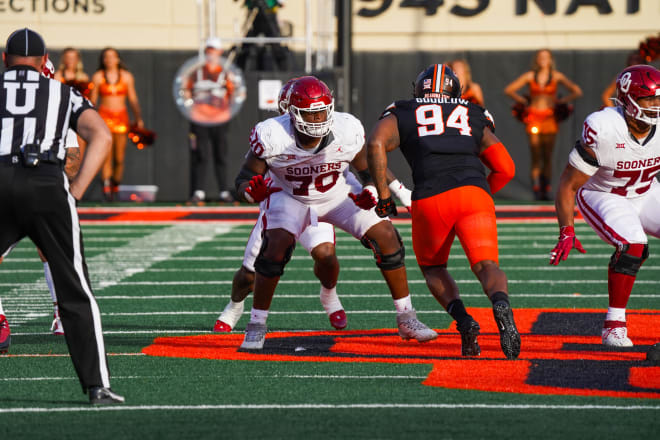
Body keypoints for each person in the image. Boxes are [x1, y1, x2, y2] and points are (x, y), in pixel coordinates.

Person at [234, 76, 436, 350]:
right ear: (291, 113)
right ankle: (256, 324)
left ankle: (407, 317)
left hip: (338, 192)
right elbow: (244, 178)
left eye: (321, 111)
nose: (317, 119)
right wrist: (250, 193)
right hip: (291, 196)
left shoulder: (346, 128)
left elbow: (366, 170)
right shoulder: (273, 135)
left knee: (387, 236)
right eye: (309, 113)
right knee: (274, 250)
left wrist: (371, 191)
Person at [0, 28, 123, 404]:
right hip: (46, 183)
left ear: (5, 60)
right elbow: (101, 135)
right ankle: (96, 386)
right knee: (75, 289)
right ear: (42, 63)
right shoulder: (63, 93)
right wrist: (78, 190)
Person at [366, 63, 521, 359]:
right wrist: (482, 192)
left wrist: (385, 197)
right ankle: (500, 303)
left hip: (431, 197)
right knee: (487, 266)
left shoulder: (403, 110)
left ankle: (464, 322)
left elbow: (374, 143)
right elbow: (507, 168)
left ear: (419, 88)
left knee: (434, 268)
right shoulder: (473, 112)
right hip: (474, 193)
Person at [550, 64, 660, 347]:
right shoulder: (604, 127)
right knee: (634, 245)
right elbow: (568, 185)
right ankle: (614, 324)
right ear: (626, 98)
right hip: (603, 193)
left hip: (646, 191)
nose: (656, 105)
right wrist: (566, 229)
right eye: (649, 98)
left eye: (659, 98)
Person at [504, 49, 582, 200]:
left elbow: (577, 91)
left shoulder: (556, 76)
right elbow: (509, 90)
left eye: (546, 57)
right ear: (536, 59)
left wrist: (561, 101)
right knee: (535, 154)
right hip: (533, 117)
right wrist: (524, 101)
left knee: (547, 155)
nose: (543, 59)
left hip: (549, 119)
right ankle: (536, 187)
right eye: (540, 57)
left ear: (551, 59)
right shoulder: (530, 76)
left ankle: (545, 189)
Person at [89, 47, 143, 202]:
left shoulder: (126, 77)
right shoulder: (98, 77)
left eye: (112, 57)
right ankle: (106, 187)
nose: (109, 60)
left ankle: (115, 184)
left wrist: (138, 117)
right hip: (104, 117)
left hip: (121, 118)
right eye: (106, 57)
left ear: (118, 59)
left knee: (119, 158)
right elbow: (93, 101)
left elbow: (132, 98)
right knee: (106, 156)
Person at [187, 37, 235, 204]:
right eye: (208, 50)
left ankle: (224, 192)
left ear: (219, 52)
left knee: (220, 154)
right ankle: (198, 192)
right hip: (200, 119)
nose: (211, 54)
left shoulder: (225, 73)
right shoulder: (197, 72)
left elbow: (234, 95)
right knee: (200, 154)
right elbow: (186, 92)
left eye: (214, 50)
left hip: (219, 120)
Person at [234, 0, 289, 71]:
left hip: (269, 15)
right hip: (254, 16)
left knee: (276, 45)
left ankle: (283, 71)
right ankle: (239, 69)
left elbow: (282, 4)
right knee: (246, 44)